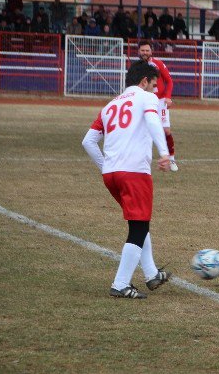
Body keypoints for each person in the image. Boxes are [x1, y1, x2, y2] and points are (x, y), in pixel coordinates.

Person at [81, 60, 172, 299]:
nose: (155, 90)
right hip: (134, 172)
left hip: (112, 175)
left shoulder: (110, 106)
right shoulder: (146, 98)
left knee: (137, 222)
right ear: (144, 82)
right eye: (153, 85)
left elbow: (88, 141)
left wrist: (105, 166)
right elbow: (154, 122)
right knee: (139, 225)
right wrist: (164, 153)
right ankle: (121, 283)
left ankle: (151, 273)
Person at [138, 40, 179, 171]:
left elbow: (169, 81)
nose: (145, 53)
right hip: (143, 101)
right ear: (138, 51)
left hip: (160, 101)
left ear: (151, 51)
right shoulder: (136, 67)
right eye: (142, 50)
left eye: (147, 50)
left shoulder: (158, 63)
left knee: (166, 130)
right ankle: (141, 160)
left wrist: (168, 97)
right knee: (142, 130)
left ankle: (171, 159)